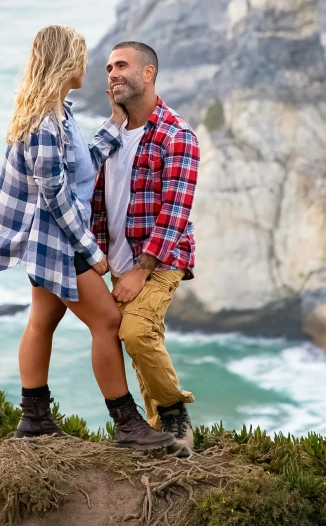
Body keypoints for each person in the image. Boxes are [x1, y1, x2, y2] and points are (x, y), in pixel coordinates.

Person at [0, 25, 176, 451]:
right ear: (66, 61)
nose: (90, 66)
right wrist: (92, 250)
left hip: (46, 244)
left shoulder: (56, 112)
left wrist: (113, 125)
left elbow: (80, 166)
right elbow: (56, 196)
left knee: (42, 322)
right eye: (83, 58)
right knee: (107, 322)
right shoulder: (45, 123)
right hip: (60, 244)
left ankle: (34, 420)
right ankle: (127, 425)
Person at [91, 41, 200, 453]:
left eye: (122, 65)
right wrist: (97, 253)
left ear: (148, 73)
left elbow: (175, 211)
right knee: (136, 341)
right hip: (117, 262)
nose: (113, 73)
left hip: (160, 259)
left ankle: (174, 414)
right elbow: (96, 196)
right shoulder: (111, 135)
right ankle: (162, 439)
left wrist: (140, 270)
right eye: (109, 68)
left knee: (136, 332)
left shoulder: (176, 134)